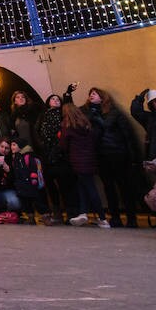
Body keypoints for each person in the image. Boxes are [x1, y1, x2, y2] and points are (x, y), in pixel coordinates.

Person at [84, 86, 140, 228]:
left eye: (95, 93)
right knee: (109, 188)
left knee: (124, 187)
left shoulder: (114, 113)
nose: (91, 95)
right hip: (101, 155)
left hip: (118, 154)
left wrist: (132, 156)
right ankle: (115, 217)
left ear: (102, 97)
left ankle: (131, 218)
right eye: (90, 94)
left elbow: (127, 134)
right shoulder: (88, 113)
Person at [61, 102, 108, 227]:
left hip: (77, 160)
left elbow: (64, 145)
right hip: (90, 160)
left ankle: (102, 218)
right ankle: (83, 213)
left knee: (90, 188)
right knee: (83, 186)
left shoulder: (67, 126)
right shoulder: (86, 124)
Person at [36, 92, 73, 221]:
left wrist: (68, 95)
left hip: (60, 154)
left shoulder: (63, 114)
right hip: (46, 154)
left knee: (64, 185)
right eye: (53, 98)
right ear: (48, 102)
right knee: (50, 185)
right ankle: (57, 212)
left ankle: (70, 212)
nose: (56, 100)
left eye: (58, 99)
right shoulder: (43, 115)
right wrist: (42, 145)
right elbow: (37, 131)